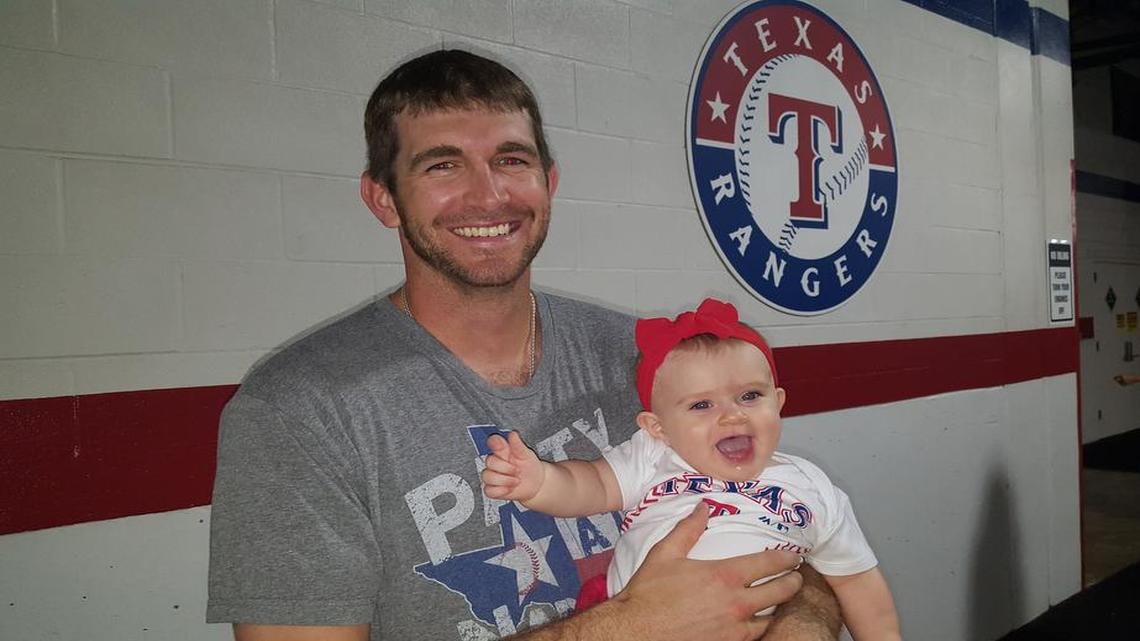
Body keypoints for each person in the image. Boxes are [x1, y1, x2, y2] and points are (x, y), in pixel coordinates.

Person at [207, 49, 841, 640]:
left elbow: (791, 538)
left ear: (549, 181)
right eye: (442, 165)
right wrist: (626, 627)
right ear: (384, 199)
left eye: (512, 160)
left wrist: (802, 621)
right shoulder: (300, 411)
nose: (489, 195)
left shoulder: (648, 360)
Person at [483, 299, 900, 640]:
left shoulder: (811, 487)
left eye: (750, 396)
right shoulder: (652, 457)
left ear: (779, 402)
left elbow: (857, 582)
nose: (732, 416)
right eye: (702, 405)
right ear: (658, 427)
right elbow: (588, 484)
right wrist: (539, 480)